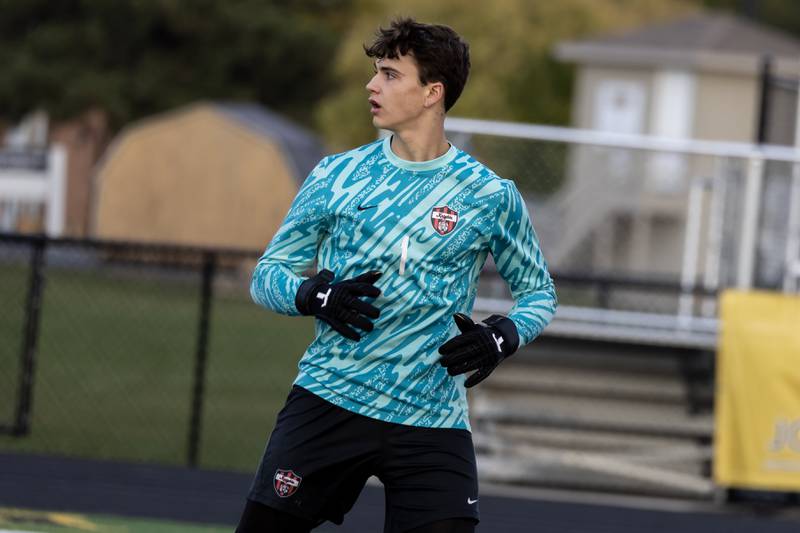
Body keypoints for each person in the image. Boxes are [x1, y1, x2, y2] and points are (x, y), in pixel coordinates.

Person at [236, 17, 557, 533]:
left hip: (432, 418)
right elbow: (267, 275)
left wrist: (502, 337)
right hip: (330, 397)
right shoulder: (335, 175)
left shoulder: (491, 195)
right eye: (375, 73)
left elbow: (539, 293)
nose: (372, 85)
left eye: (389, 74)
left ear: (433, 92)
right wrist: (314, 295)